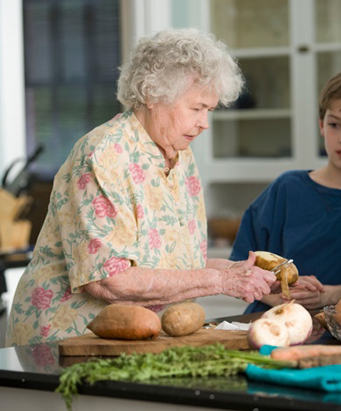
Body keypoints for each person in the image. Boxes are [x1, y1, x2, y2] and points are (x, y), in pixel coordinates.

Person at [6, 28, 278, 346]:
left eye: (210, 110)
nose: (205, 123)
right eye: (196, 108)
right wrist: (221, 280)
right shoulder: (104, 154)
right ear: (152, 95)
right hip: (67, 342)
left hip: (143, 338)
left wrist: (242, 272)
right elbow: (109, 280)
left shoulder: (180, 155)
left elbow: (174, 262)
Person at [230, 69, 341, 314]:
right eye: (335, 124)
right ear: (321, 125)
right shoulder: (286, 189)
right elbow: (239, 267)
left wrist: (330, 295)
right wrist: (283, 297)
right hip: (271, 330)